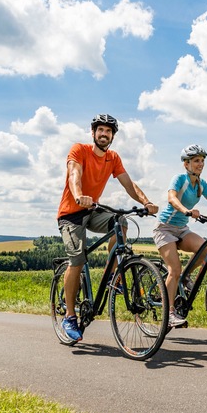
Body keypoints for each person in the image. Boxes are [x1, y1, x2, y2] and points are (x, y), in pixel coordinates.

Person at [57, 113, 158, 342]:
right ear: (93, 133)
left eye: (108, 131)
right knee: (78, 260)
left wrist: (146, 202)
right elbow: (74, 174)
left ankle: (112, 275)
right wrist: (78, 195)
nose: (104, 134)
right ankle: (70, 317)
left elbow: (129, 183)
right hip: (71, 215)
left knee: (120, 222)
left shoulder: (112, 158)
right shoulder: (79, 150)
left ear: (112, 136)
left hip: (92, 211)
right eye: (100, 130)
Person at [153, 144, 207, 327]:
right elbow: (172, 198)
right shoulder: (179, 179)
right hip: (164, 228)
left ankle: (185, 278)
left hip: (182, 229)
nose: (200, 164)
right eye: (196, 161)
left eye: (202, 161)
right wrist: (186, 210)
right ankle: (168, 314)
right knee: (173, 270)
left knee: (206, 250)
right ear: (186, 164)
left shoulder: (202, 184)